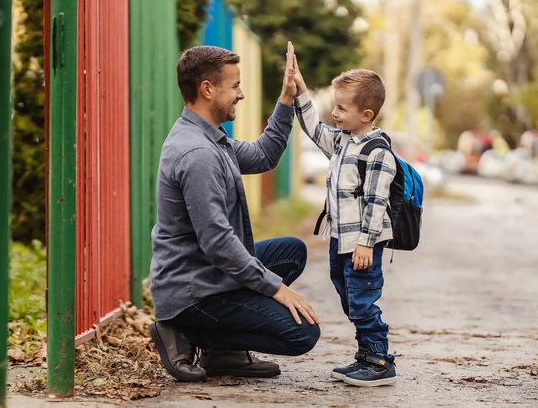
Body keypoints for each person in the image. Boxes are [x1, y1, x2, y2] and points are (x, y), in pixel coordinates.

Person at [148, 43, 320, 383]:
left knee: (291, 252)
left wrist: (286, 98)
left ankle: (222, 354)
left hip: (207, 272)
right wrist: (276, 289)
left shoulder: (209, 139)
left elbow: (263, 156)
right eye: (236, 86)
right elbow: (218, 243)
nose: (241, 94)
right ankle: (187, 331)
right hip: (193, 289)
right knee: (303, 334)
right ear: (207, 90)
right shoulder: (197, 154)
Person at [290, 49, 398, 387]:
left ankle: (380, 362)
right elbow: (312, 127)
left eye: (341, 108)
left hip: (363, 243)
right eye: (334, 106)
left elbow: (377, 201)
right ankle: (365, 355)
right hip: (341, 239)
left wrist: (366, 243)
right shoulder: (343, 142)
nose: (334, 113)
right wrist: (301, 89)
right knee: (349, 297)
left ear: (366, 114)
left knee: (363, 300)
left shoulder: (376, 152)